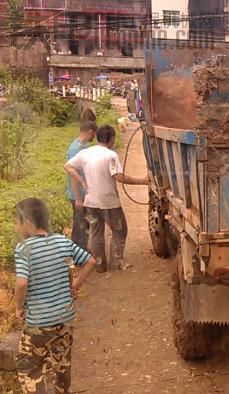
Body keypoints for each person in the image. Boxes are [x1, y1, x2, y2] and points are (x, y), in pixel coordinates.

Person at [13, 197, 97, 394]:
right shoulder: (62, 241)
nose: (16, 227)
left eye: (16, 222)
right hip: (64, 319)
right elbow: (91, 262)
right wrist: (75, 286)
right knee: (62, 364)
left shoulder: (24, 248)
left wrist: (18, 306)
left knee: (29, 367)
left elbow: (22, 282)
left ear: (28, 223)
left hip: (39, 323)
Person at [64, 125, 148, 272]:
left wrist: (82, 181)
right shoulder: (111, 155)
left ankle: (99, 266)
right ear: (112, 139)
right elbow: (119, 177)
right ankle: (116, 264)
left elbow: (67, 166)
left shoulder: (85, 153)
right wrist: (142, 181)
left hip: (91, 202)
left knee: (96, 233)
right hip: (109, 202)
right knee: (119, 230)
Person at [66, 120, 96, 249]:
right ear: (90, 132)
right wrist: (78, 197)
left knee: (82, 224)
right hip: (78, 195)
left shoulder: (81, 147)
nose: (94, 137)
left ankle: (79, 252)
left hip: (81, 194)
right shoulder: (76, 149)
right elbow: (72, 174)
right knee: (81, 226)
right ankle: (80, 254)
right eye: (94, 134)